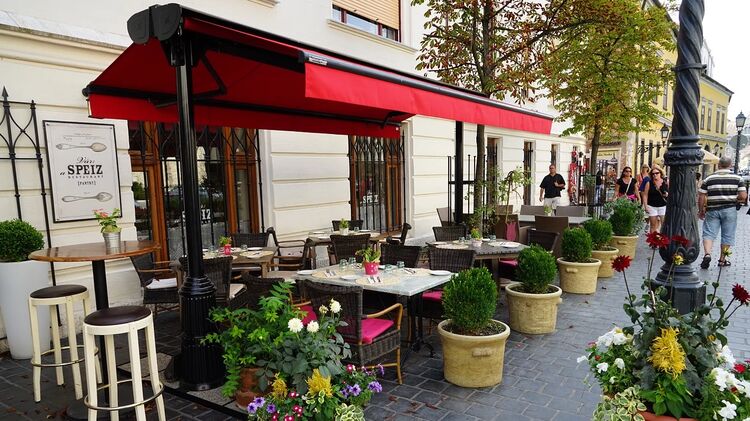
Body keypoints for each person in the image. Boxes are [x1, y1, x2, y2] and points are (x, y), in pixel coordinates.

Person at [698, 157, 747, 268]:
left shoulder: (709, 178)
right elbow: (743, 196)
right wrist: (734, 199)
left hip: (712, 209)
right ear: (730, 165)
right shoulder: (738, 178)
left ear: (719, 165)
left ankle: (707, 254)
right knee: (727, 235)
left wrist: (701, 210)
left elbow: (701, 196)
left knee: (708, 233)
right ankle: (722, 260)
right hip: (729, 210)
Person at [641, 165, 668, 233]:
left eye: (657, 173)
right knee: (653, 225)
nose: (655, 175)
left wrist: (667, 194)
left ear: (660, 173)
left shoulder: (666, 182)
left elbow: (671, 193)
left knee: (664, 224)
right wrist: (645, 206)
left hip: (663, 206)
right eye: (653, 174)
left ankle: (663, 238)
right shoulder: (649, 183)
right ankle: (653, 239)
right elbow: (645, 195)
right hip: (652, 206)